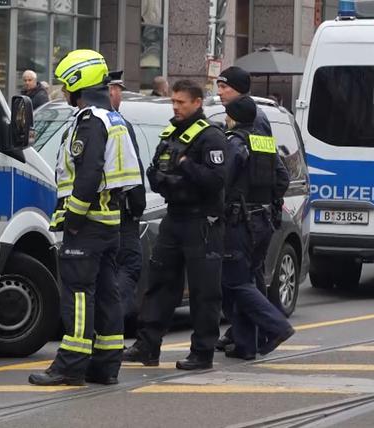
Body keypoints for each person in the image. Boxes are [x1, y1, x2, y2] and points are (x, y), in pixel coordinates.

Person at [28, 51, 143, 386]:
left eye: (66, 86)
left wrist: (74, 217)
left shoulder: (91, 122)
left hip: (88, 225)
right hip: (109, 224)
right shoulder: (113, 119)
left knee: (78, 294)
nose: (64, 92)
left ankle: (70, 365)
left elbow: (89, 173)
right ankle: (106, 365)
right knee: (106, 293)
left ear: (78, 83)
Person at [124, 79, 231, 371]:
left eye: (181, 103)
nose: (176, 107)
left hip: (202, 221)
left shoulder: (211, 137)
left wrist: (184, 167)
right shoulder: (172, 132)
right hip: (175, 217)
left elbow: (215, 180)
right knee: (160, 283)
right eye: (173, 102)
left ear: (197, 102)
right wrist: (173, 180)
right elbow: (154, 172)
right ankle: (147, 346)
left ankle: (202, 352)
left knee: (203, 290)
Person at [219, 96, 295, 360]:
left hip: (240, 222)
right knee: (248, 280)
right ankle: (245, 345)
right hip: (263, 221)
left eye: (227, 114)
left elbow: (224, 182)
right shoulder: (263, 141)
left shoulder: (235, 142)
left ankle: (277, 326)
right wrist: (267, 200)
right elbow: (283, 178)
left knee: (236, 283)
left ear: (234, 117)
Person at [214, 65, 274, 352]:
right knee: (245, 277)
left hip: (245, 216)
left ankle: (261, 331)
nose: (220, 91)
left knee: (243, 280)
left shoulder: (250, 124)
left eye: (224, 86)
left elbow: (237, 173)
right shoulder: (253, 121)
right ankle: (246, 333)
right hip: (257, 215)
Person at [107, 71, 147, 321]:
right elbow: (133, 171)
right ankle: (111, 326)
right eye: (118, 89)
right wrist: (138, 205)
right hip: (121, 213)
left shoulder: (80, 120)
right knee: (129, 264)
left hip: (94, 213)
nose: (120, 94)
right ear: (111, 90)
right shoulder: (119, 125)